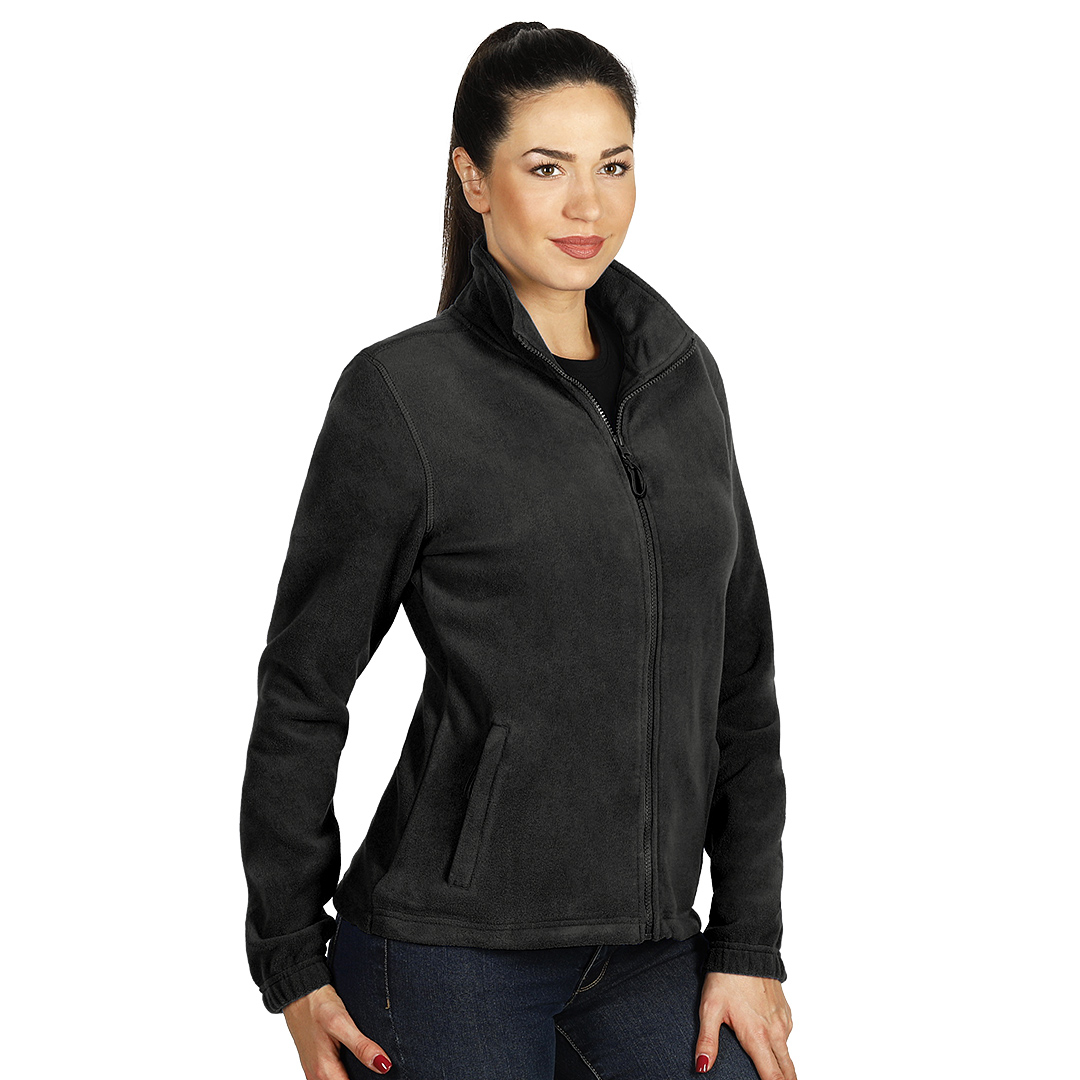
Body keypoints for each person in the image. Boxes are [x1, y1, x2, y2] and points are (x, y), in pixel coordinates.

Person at [240, 21, 796, 1080]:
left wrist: (746, 940)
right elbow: (303, 687)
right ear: (474, 180)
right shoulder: (403, 396)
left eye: (613, 166)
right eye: (547, 168)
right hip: (445, 952)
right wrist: (292, 960)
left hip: (654, 948)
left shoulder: (683, 379)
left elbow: (742, 678)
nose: (589, 205)